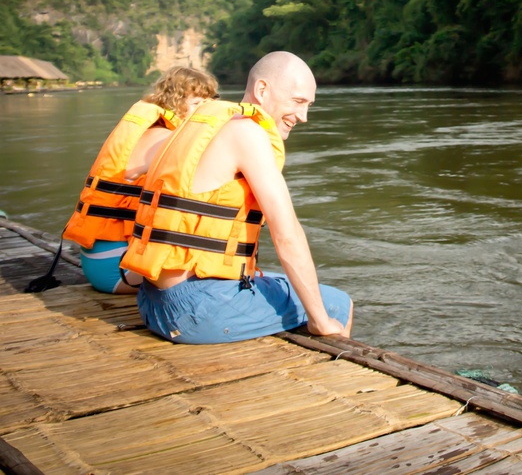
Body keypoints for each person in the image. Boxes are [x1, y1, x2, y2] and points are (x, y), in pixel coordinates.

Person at [121, 51, 353, 343]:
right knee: (337, 303)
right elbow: (287, 236)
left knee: (280, 287)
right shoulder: (247, 134)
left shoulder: (196, 126)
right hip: (195, 308)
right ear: (262, 90)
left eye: (309, 105)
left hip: (152, 301)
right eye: (297, 102)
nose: (303, 116)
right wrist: (321, 322)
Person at [62, 66, 218, 294]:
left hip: (102, 260)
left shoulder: (154, 131)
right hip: (117, 267)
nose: (202, 113)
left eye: (206, 105)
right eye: (195, 105)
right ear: (174, 102)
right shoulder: (163, 138)